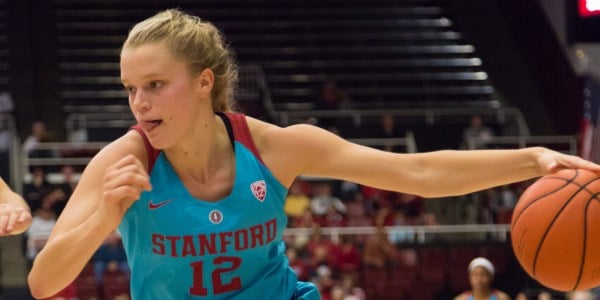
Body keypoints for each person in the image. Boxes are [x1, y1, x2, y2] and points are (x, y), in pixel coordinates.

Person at [27, 8, 600, 300]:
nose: (139, 103)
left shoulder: (273, 146)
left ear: (204, 83)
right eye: (130, 88)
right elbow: (42, 282)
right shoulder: (123, 162)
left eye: (155, 84)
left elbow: (417, 172)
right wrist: (103, 214)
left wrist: (533, 160)